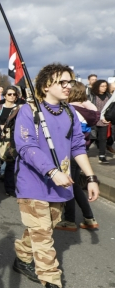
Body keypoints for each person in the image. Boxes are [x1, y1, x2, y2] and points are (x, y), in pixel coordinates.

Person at [12, 63, 99, 288]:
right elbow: (25, 147)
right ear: (46, 85)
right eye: (62, 82)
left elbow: (78, 147)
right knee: (44, 237)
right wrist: (51, 172)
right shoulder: (28, 111)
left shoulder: (70, 112)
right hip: (33, 183)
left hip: (61, 185)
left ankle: (22, 255)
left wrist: (91, 177)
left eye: (70, 81)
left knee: (44, 228)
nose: (68, 86)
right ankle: (53, 287)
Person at [55, 82, 100, 230]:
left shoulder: (70, 110)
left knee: (70, 185)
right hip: (83, 150)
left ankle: (70, 219)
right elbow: (96, 111)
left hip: (70, 152)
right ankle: (88, 218)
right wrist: (84, 99)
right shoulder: (87, 111)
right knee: (73, 185)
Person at [0, 86, 20, 196]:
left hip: (12, 139)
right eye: (9, 94)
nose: (12, 96)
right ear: (4, 95)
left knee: (10, 165)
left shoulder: (19, 108)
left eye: (14, 94)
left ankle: (9, 189)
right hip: (0, 139)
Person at [88, 79, 111, 163]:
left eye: (105, 86)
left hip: (104, 120)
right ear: (97, 87)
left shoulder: (109, 96)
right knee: (91, 137)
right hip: (93, 120)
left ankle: (102, 156)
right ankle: (84, 152)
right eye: (102, 86)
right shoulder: (91, 96)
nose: (104, 88)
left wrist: (109, 118)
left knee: (102, 139)